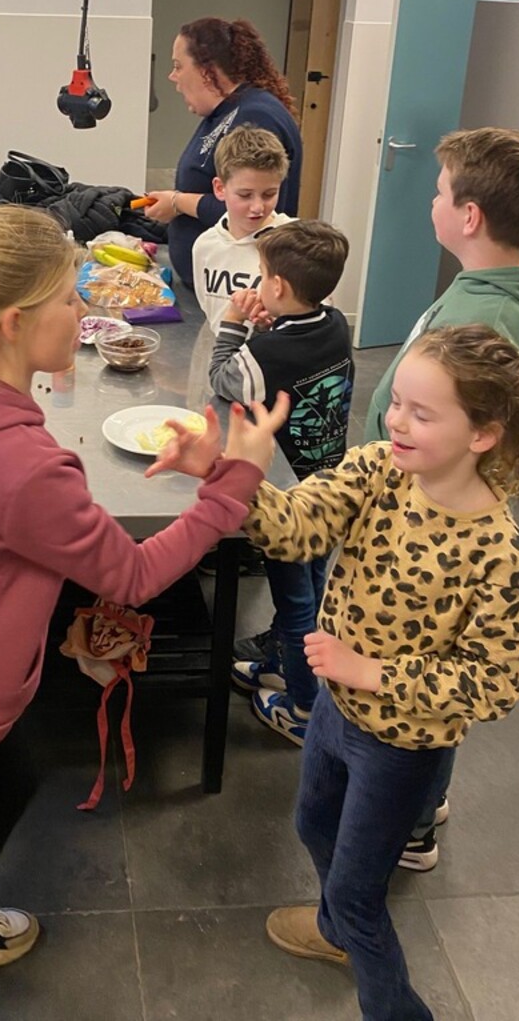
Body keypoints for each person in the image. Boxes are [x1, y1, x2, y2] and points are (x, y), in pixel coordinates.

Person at [0, 204, 285, 1021]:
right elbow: (131, 574)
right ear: (12, 324)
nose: (82, 309)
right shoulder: (21, 464)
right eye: (66, 297)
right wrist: (231, 483)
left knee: (16, 779)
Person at [158, 324, 519, 1021]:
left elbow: (495, 682)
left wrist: (371, 671)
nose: (395, 420)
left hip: (402, 744)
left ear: (483, 434)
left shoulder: (500, 555)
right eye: (396, 401)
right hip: (336, 711)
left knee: (358, 896)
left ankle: (388, 993)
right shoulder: (379, 470)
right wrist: (220, 470)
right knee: (313, 823)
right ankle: (335, 929)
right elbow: (298, 526)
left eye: (421, 413)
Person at [365, 126, 519, 870]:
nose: (430, 202)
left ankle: (413, 824)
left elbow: (498, 447)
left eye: (438, 191)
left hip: (431, 529)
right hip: (411, 503)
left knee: (425, 666)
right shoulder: (483, 288)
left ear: (469, 215)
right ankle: (422, 801)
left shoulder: (495, 316)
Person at [207, 220, 354, 743]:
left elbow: (223, 377)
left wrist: (234, 323)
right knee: (312, 586)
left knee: (294, 603)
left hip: (287, 500)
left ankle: (304, 706)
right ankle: (280, 661)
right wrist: (268, 328)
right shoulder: (336, 323)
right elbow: (296, 352)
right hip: (331, 486)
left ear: (278, 286)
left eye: (262, 273)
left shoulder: (267, 355)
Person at [145, 17, 302, 288]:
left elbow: (253, 209)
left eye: (178, 66)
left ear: (207, 70)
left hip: (238, 289)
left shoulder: (256, 117)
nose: (173, 77)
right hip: (210, 282)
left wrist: (177, 202)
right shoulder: (226, 112)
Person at [191, 123, 291, 333]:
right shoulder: (205, 246)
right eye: (245, 195)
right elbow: (211, 314)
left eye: (269, 194)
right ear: (220, 188)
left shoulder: (296, 244)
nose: (257, 207)